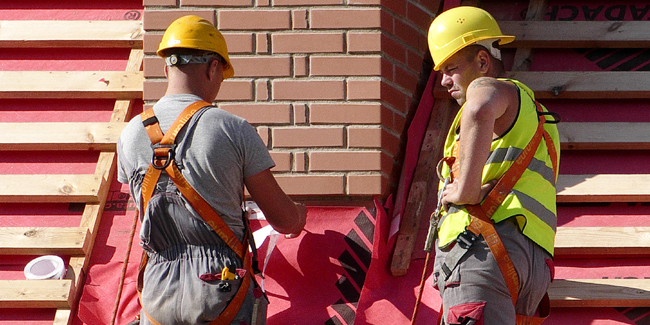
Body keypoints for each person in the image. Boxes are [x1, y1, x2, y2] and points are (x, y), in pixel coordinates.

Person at [117, 15, 306, 325]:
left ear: (167, 67)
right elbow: (283, 219)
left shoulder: (130, 134)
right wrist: (298, 216)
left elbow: (144, 212)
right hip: (217, 291)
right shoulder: (232, 129)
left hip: (156, 292)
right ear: (213, 67)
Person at [427, 6, 560, 325]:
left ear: (483, 62)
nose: (444, 81)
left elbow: (479, 108)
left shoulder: (486, 89)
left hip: (480, 250)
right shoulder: (535, 115)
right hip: (531, 260)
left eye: (451, 68)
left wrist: (464, 189)